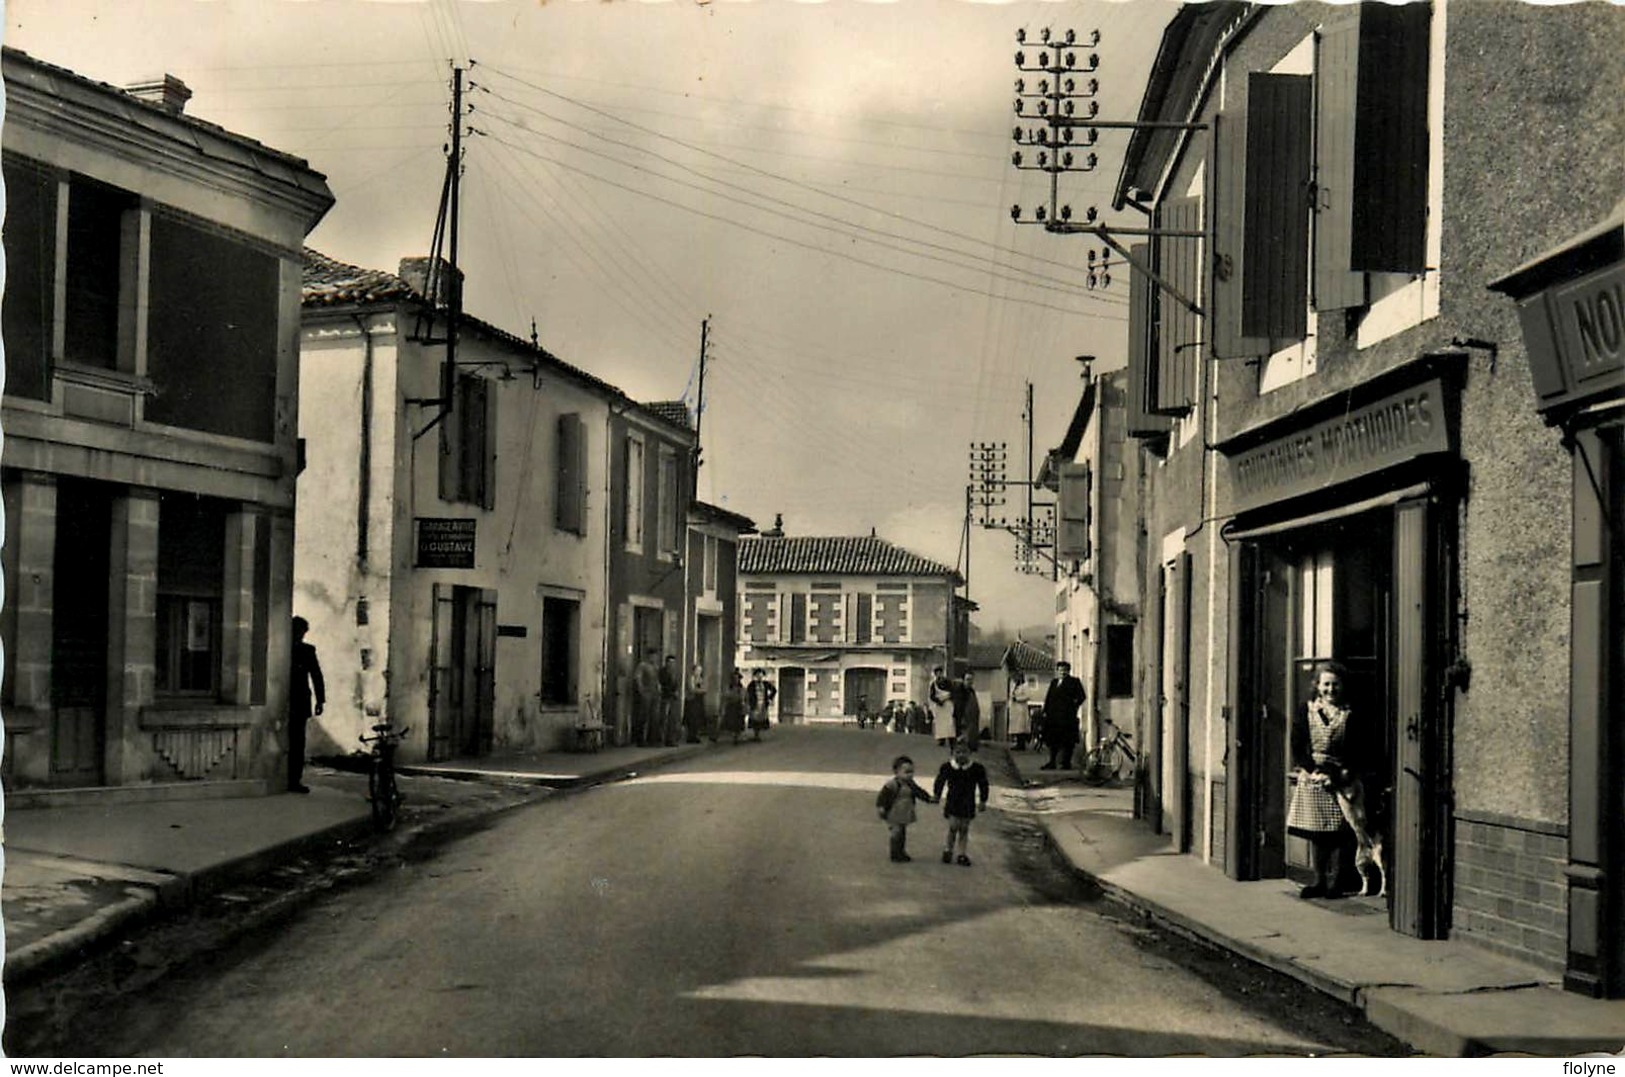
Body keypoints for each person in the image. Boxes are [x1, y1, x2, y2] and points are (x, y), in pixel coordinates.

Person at [1288, 661, 1380, 899]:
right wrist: (1311, 769)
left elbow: (1361, 745)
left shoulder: (1351, 712)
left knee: (1343, 830)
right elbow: (1297, 744)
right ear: (1318, 686)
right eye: (1326, 684)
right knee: (1318, 831)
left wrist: (1347, 771)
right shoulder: (1306, 710)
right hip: (1315, 776)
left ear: (1343, 686)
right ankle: (1319, 879)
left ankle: (1337, 880)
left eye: (1335, 684)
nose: (1331, 689)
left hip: (1342, 776)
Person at [933, 739, 990, 866]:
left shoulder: (977, 769)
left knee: (964, 828)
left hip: (968, 802)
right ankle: (948, 849)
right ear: (952, 753)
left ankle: (961, 854)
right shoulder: (947, 767)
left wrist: (983, 800)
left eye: (964, 752)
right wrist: (937, 795)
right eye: (957, 752)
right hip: (953, 801)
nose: (961, 755)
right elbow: (940, 781)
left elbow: (983, 785)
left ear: (970, 753)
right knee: (953, 827)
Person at [288, 616, 325, 794]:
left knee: (297, 743)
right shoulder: (282, 649)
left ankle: (294, 779)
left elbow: (316, 676)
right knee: (292, 742)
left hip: (299, 701)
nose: (300, 636)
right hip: (285, 700)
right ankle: (288, 778)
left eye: (301, 632)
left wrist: (320, 700)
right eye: (298, 632)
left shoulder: (307, 651)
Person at [875, 755, 936, 863]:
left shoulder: (911, 784)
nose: (910, 775)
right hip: (894, 812)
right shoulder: (892, 785)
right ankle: (894, 853)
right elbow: (882, 797)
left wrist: (928, 798)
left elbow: (919, 792)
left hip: (905, 812)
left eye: (911, 772)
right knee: (896, 832)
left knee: (902, 833)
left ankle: (901, 851)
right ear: (896, 772)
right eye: (906, 772)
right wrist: (881, 807)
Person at [1041, 660, 1086, 770]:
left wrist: (1073, 707)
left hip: (1067, 717)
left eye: (1065, 670)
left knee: (1067, 741)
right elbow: (1048, 698)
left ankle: (1066, 763)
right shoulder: (1054, 682)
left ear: (1068, 671)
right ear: (1057, 671)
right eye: (1060, 670)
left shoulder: (1074, 682)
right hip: (1053, 717)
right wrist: (1045, 711)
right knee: (1052, 741)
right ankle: (1052, 762)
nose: (1062, 672)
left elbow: (1081, 697)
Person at [632, 647, 661, 747]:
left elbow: (657, 680)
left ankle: (652, 739)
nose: (654, 658)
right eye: (653, 656)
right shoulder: (643, 666)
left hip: (654, 694)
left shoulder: (655, 667)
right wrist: (641, 691)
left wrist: (658, 689)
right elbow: (638, 678)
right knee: (643, 717)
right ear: (649, 656)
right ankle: (640, 739)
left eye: (655, 656)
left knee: (654, 717)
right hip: (646, 694)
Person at [951, 672, 982, 752]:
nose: (970, 682)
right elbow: (958, 706)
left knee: (970, 733)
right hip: (961, 716)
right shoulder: (959, 691)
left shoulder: (971, 691)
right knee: (960, 735)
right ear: (963, 680)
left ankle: (971, 746)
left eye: (971, 680)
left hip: (971, 718)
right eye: (968, 679)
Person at [745, 668, 776, 741]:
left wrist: (769, 698)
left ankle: (758, 734)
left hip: (763, 704)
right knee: (754, 719)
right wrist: (749, 701)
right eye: (757, 675)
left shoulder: (765, 684)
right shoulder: (752, 684)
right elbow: (748, 693)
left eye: (761, 675)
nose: (759, 676)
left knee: (761, 718)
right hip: (754, 704)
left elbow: (774, 690)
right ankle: (756, 734)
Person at [928, 666, 955, 746]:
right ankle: (941, 740)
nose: (939, 674)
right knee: (940, 723)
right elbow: (932, 696)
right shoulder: (934, 684)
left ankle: (951, 740)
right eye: (937, 673)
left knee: (949, 722)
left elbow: (953, 692)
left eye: (940, 673)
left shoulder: (948, 682)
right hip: (939, 706)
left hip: (948, 704)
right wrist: (939, 701)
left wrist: (947, 698)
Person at [659, 654, 682, 747]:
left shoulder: (675, 673)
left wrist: (676, 691)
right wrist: (671, 692)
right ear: (666, 663)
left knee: (673, 720)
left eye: (673, 663)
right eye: (670, 662)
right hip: (665, 697)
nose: (672, 665)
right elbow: (662, 685)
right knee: (664, 719)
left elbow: (676, 684)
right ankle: (662, 739)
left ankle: (671, 739)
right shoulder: (662, 672)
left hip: (672, 698)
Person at [720, 670, 747, 745]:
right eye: (734, 678)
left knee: (739, 722)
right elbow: (725, 696)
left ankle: (737, 736)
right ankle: (733, 736)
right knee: (731, 721)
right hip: (731, 706)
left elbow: (744, 697)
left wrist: (744, 704)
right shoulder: (729, 687)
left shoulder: (741, 688)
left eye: (737, 678)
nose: (736, 680)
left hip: (738, 706)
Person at [685, 662, 708, 744]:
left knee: (698, 719)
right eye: (698, 670)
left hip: (699, 701)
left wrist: (701, 690)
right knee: (692, 718)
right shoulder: (691, 678)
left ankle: (695, 735)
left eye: (700, 671)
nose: (699, 672)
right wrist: (700, 690)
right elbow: (691, 689)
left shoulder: (700, 679)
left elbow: (705, 688)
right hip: (692, 700)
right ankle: (690, 735)